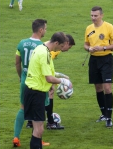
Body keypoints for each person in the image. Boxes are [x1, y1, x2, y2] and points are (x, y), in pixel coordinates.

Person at [24, 32, 71, 149]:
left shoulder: (41, 48)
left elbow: (46, 72)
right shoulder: (44, 53)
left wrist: (61, 75)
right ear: (56, 43)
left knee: (38, 129)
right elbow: (49, 78)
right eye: (60, 46)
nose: (60, 49)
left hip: (33, 92)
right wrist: (63, 82)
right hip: (35, 93)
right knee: (38, 130)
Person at [84, 6, 113, 128]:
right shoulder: (89, 28)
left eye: (95, 16)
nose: (93, 18)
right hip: (94, 60)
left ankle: (109, 118)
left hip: (106, 59)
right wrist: (89, 48)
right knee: (98, 87)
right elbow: (85, 44)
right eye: (92, 15)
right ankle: (103, 114)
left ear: (101, 15)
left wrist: (103, 48)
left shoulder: (109, 27)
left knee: (107, 88)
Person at [13, 19, 48, 147]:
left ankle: (16, 137)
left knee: (22, 107)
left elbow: (17, 62)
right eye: (45, 29)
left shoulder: (22, 43)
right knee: (39, 109)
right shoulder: (42, 47)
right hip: (36, 82)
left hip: (24, 79)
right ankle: (38, 137)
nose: (45, 31)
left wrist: (20, 76)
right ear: (40, 30)